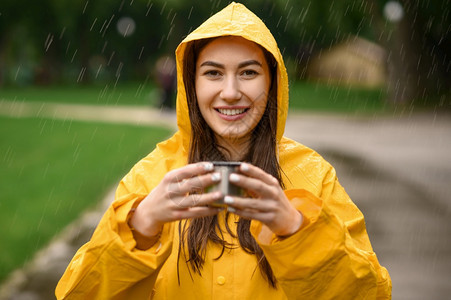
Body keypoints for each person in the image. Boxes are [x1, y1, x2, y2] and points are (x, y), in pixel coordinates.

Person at [56, 2, 391, 299]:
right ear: (192, 83)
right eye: (213, 73)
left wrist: (295, 228)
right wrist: (141, 224)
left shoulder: (313, 175)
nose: (230, 93)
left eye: (248, 72)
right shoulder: (152, 176)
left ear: (272, 82)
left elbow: (369, 294)